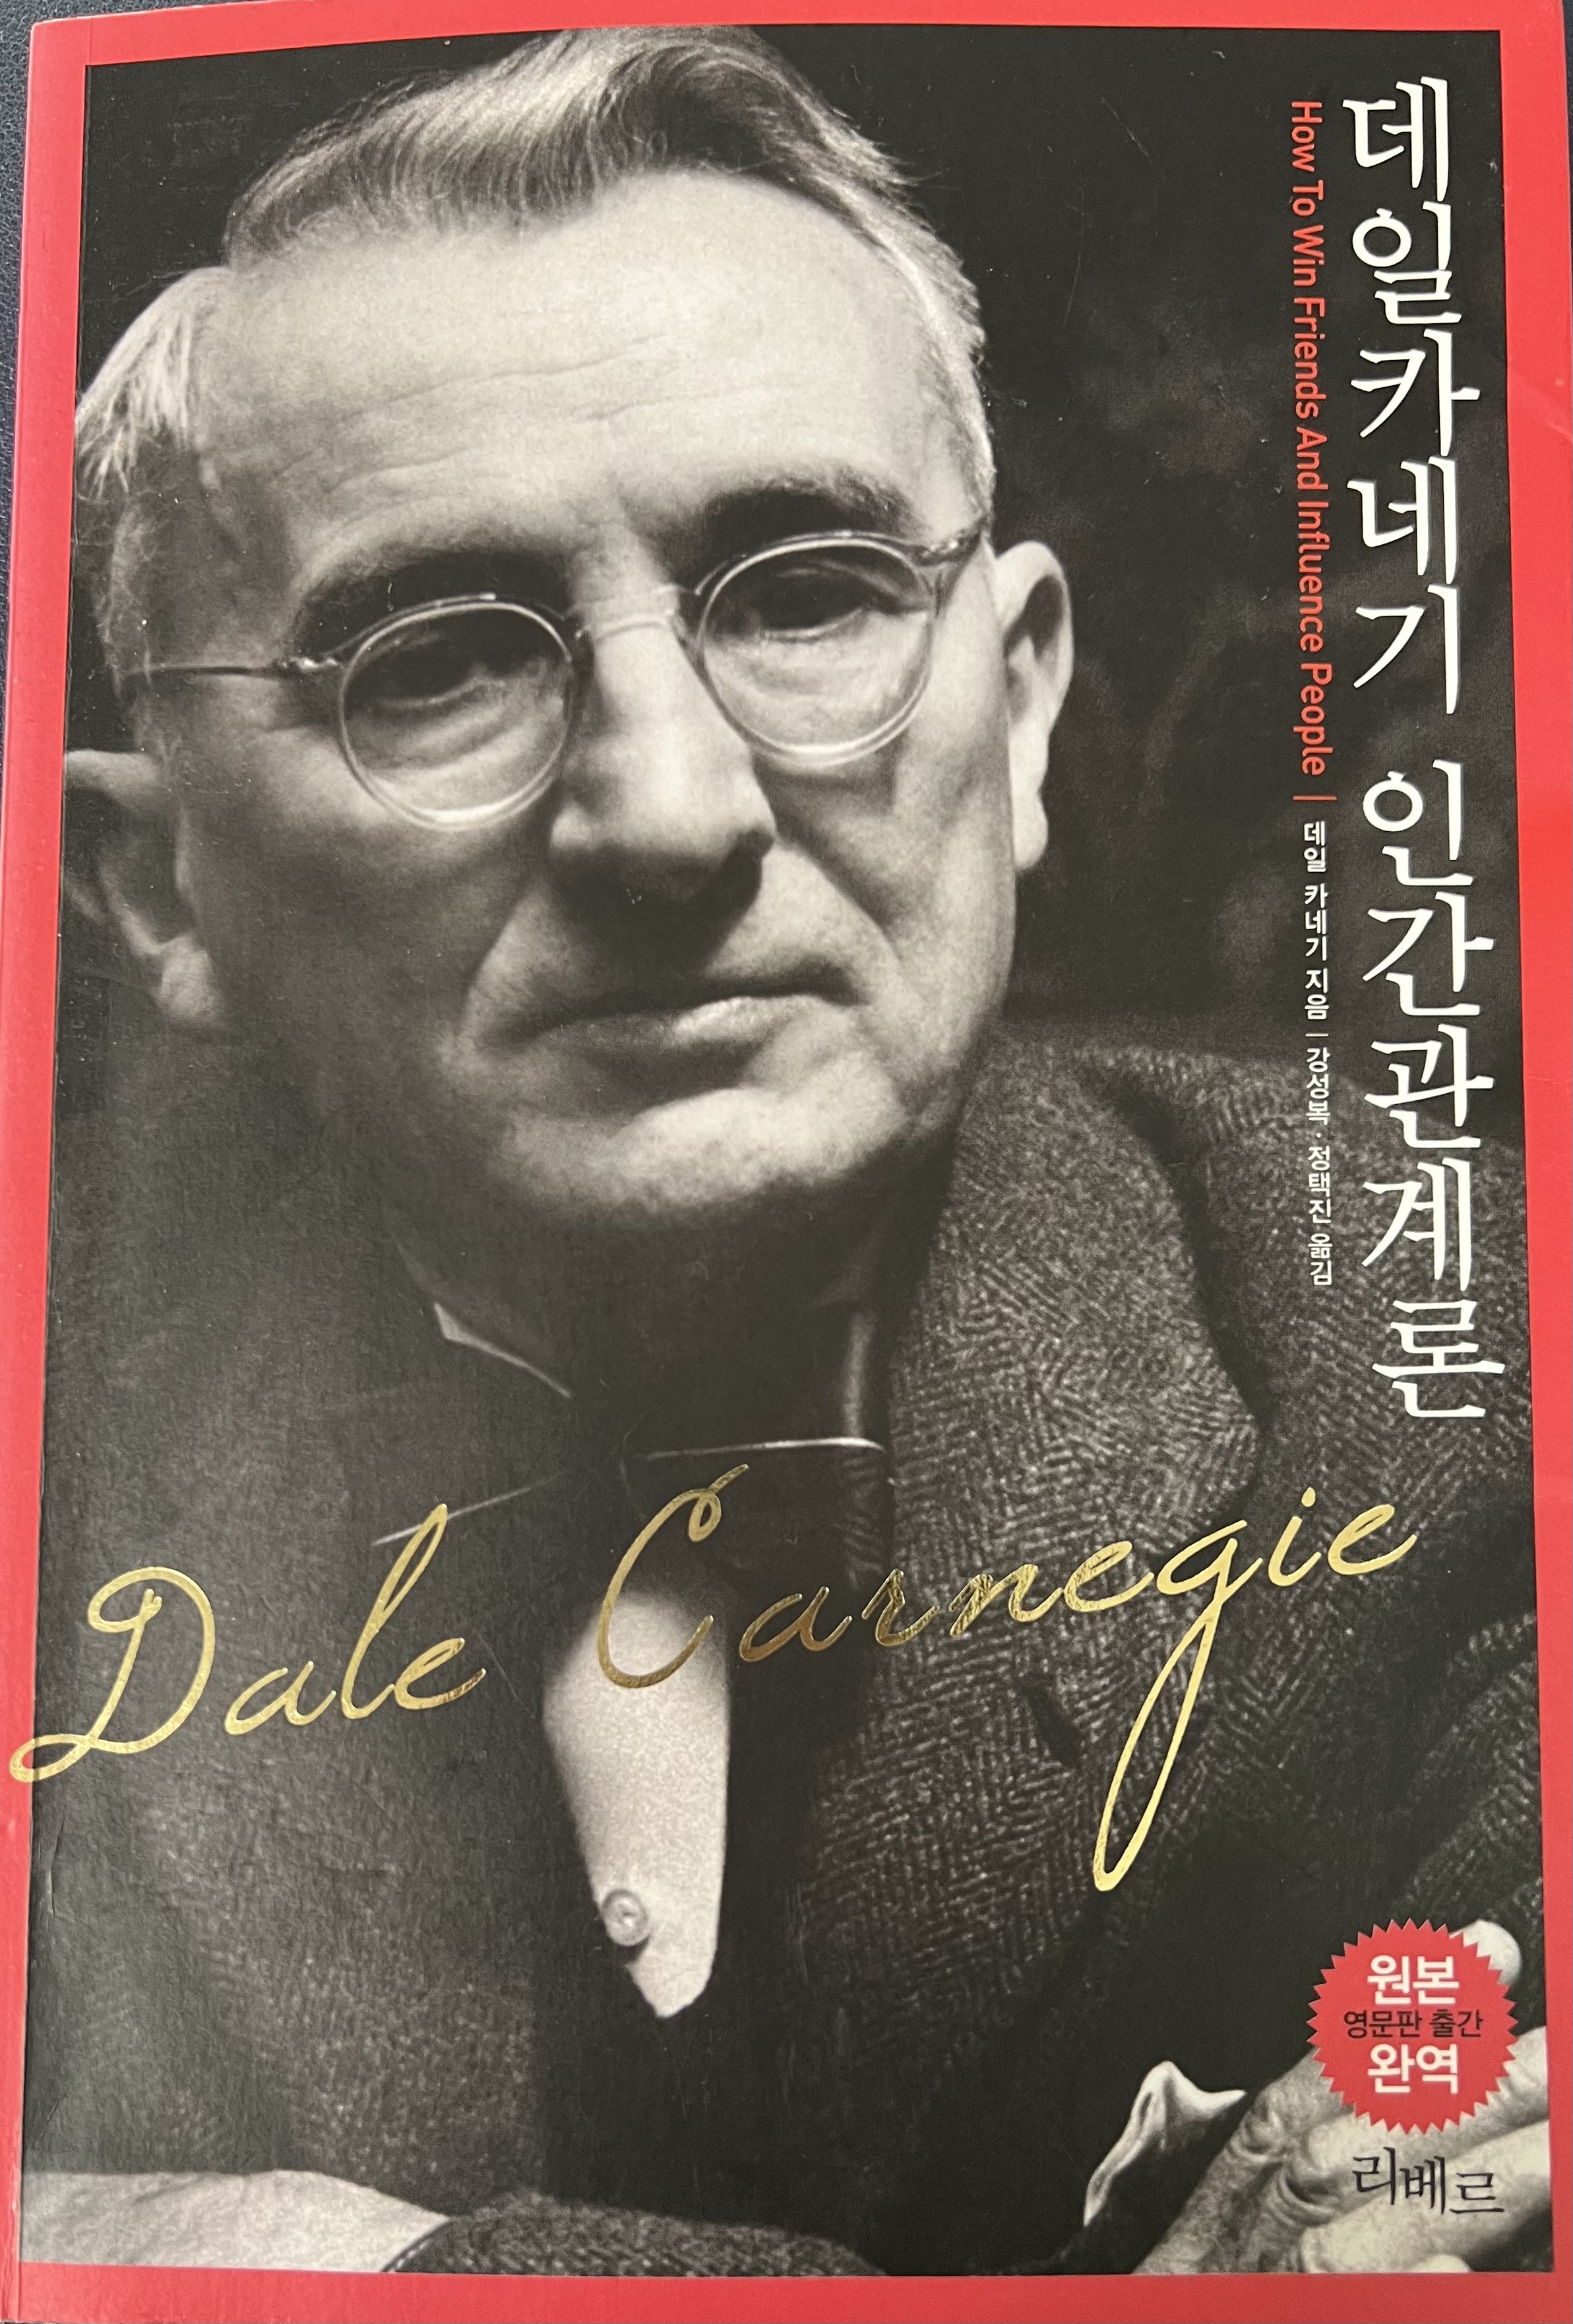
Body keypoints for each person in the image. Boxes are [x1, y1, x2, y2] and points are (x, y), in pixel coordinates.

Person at [19, 26, 1547, 2276]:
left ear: (1015, 709)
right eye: (436, 662)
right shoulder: (49, 1435)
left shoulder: (1469, 1348)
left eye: (809, 591)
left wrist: (312, 2261)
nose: (673, 812)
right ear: (163, 893)